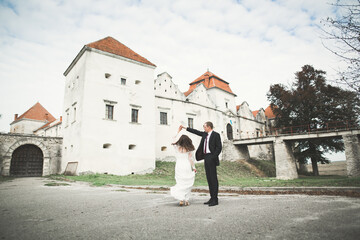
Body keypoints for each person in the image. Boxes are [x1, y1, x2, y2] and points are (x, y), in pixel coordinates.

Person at [180, 122, 222, 207]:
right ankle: (211, 198)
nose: (204, 128)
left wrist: (213, 157)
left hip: (212, 158)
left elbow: (219, 147)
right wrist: (185, 128)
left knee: (213, 179)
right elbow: (195, 131)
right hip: (206, 157)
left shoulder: (216, 135)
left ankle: (215, 199)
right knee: (209, 178)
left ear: (209, 127)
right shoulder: (204, 134)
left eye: (205, 126)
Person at [170, 126, 197, 206]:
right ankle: (186, 200)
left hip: (179, 165)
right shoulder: (189, 149)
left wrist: (178, 131)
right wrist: (194, 168)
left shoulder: (176, 147)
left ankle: (181, 198)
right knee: (187, 182)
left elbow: (173, 138)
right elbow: (191, 160)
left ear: (180, 140)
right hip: (186, 165)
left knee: (180, 182)